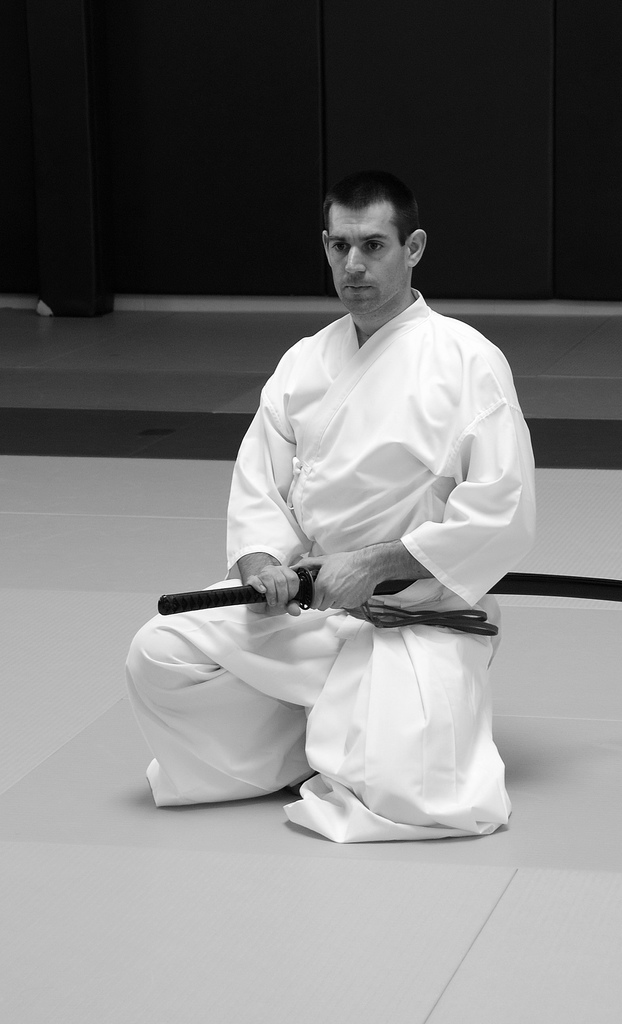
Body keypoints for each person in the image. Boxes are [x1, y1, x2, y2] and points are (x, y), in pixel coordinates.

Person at [126, 171, 536, 842]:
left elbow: (502, 513)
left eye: (373, 245)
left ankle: (353, 726)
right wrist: (262, 565)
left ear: (413, 248)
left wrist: (374, 565)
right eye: (339, 246)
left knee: (415, 797)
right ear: (324, 246)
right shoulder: (304, 361)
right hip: (309, 609)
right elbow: (259, 485)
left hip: (415, 617)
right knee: (159, 653)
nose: (353, 265)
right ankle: (304, 742)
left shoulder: (468, 361)